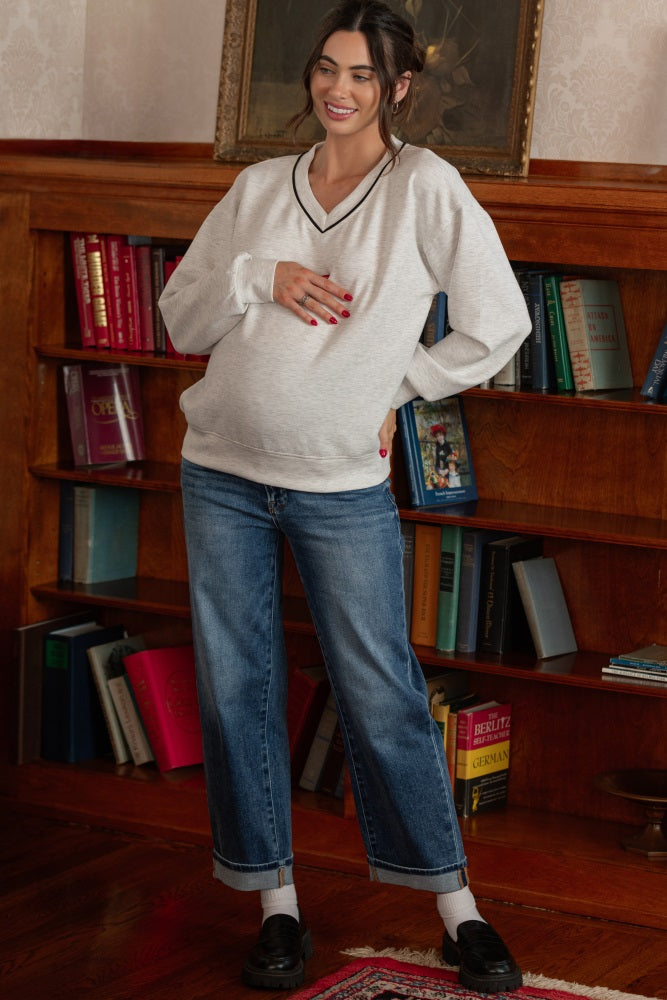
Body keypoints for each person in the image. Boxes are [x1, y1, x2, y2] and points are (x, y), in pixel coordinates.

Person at [159, 1, 531, 991]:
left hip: (338, 486)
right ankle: (276, 907)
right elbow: (182, 319)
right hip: (220, 474)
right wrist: (261, 276)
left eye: (361, 74)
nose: (337, 88)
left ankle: (457, 911)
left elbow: (499, 322)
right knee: (235, 692)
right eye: (327, 68)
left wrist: (394, 387)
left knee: (382, 695)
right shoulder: (256, 188)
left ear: (397, 86)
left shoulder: (424, 186)